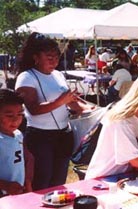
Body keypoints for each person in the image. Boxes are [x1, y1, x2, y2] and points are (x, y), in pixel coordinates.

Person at [15, 32, 94, 190]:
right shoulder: (26, 77)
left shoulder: (58, 75)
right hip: (40, 137)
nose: (54, 60)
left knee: (59, 183)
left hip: (63, 135)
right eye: (49, 56)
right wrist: (61, 101)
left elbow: (71, 102)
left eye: (57, 56)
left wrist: (90, 109)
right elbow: (34, 109)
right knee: (42, 183)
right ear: (36, 57)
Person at [0, 89, 34, 196]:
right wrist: (5, 185)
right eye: (9, 116)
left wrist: (28, 181)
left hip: (18, 192)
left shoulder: (18, 134)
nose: (16, 120)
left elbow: (28, 158)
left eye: (20, 114)